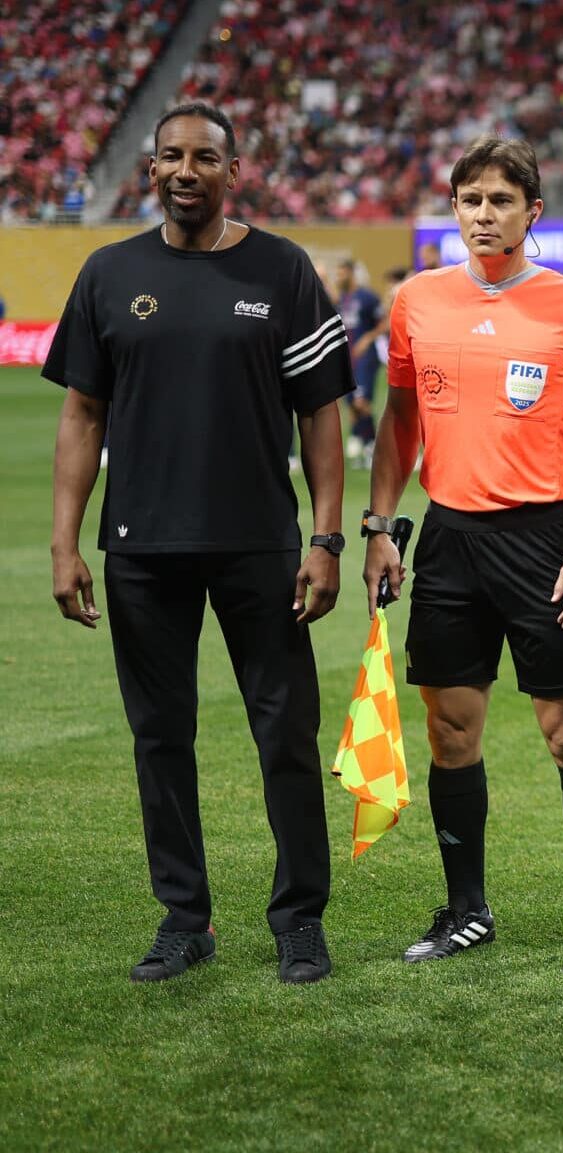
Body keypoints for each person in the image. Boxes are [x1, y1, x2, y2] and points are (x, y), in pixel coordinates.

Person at [45, 102, 350, 984]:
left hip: (261, 541)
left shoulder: (284, 269)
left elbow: (321, 417)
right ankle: (184, 917)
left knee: (286, 733)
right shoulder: (108, 272)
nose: (186, 170)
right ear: (151, 170)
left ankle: (299, 919)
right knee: (159, 735)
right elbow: (82, 414)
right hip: (141, 546)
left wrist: (325, 536)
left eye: (205, 157)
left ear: (234, 170)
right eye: (171, 155)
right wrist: (65, 544)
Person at [365, 136, 563, 973]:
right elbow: (397, 424)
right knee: (450, 733)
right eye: (471, 200)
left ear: (532, 211)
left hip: (544, 538)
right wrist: (378, 525)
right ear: (454, 207)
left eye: (501, 201)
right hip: (448, 538)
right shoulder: (418, 301)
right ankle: (466, 910)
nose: (485, 215)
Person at [327, 259, 384, 466]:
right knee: (351, 404)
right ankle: (363, 443)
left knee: (362, 402)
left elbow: (384, 322)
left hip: (365, 357)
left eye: (342, 273)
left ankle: (372, 446)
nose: (339, 277)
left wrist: (368, 338)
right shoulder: (341, 299)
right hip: (346, 357)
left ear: (351, 274)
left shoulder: (367, 297)